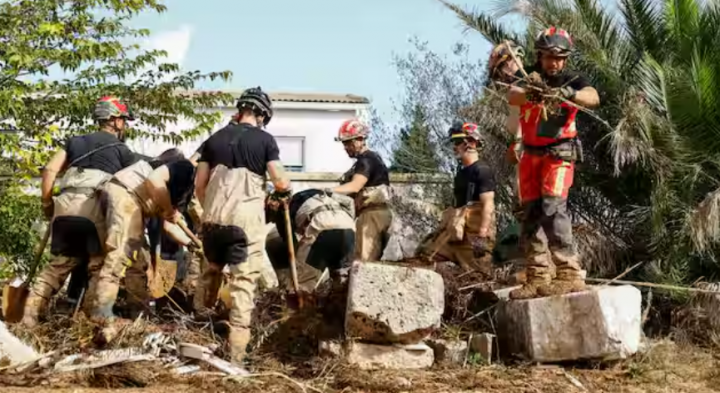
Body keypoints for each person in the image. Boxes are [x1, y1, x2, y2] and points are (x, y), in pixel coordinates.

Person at [193, 86, 292, 365]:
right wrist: (281, 192)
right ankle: (236, 354)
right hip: (243, 223)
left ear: (241, 110)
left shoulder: (214, 139)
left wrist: (211, 207)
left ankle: (199, 324)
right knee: (243, 282)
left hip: (212, 220)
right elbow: (281, 182)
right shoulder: (265, 141)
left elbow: (199, 185)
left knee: (211, 270)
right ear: (261, 114)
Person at [21, 96, 137, 327]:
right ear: (114, 120)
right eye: (123, 120)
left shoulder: (74, 142)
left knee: (59, 264)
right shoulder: (122, 151)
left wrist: (47, 205)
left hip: (63, 208)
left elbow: (49, 170)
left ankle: (28, 318)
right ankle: (86, 321)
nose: (124, 124)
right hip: (93, 207)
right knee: (97, 265)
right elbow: (134, 185)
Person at [506, 27, 600, 300]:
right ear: (540, 55)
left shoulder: (575, 79)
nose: (554, 62)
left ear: (566, 58)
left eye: (559, 57)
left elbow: (593, 97)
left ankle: (569, 273)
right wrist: (534, 93)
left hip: (558, 153)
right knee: (530, 214)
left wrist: (568, 93)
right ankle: (537, 275)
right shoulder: (529, 77)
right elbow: (513, 94)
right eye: (549, 57)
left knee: (553, 208)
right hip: (531, 155)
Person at [85, 147, 197, 324]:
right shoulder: (184, 169)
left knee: (136, 263)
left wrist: (191, 244)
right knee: (121, 253)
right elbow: (154, 181)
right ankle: (101, 311)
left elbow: (169, 224)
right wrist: (169, 209)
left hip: (116, 196)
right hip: (126, 194)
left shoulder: (177, 187)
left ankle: (138, 315)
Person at [418, 122, 496, 276]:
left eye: (458, 142)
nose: (455, 146)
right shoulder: (461, 173)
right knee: (427, 256)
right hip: (455, 231)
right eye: (454, 142)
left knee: (478, 275)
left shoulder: (482, 171)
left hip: (474, 233)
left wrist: (482, 235)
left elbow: (488, 204)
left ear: (472, 142)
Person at [265, 189, 355, 292]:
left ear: (272, 203)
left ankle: (298, 304)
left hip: (321, 228)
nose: (272, 220)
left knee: (301, 285)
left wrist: (297, 271)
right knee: (343, 282)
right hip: (348, 226)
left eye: (270, 217)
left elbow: (292, 246)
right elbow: (349, 201)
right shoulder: (315, 193)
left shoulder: (283, 212)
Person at [331, 119, 392, 262]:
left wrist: (328, 191)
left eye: (348, 142)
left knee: (364, 263)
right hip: (379, 214)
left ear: (360, 139)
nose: (346, 147)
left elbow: (355, 186)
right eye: (344, 143)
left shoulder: (366, 160)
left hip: (371, 216)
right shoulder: (374, 158)